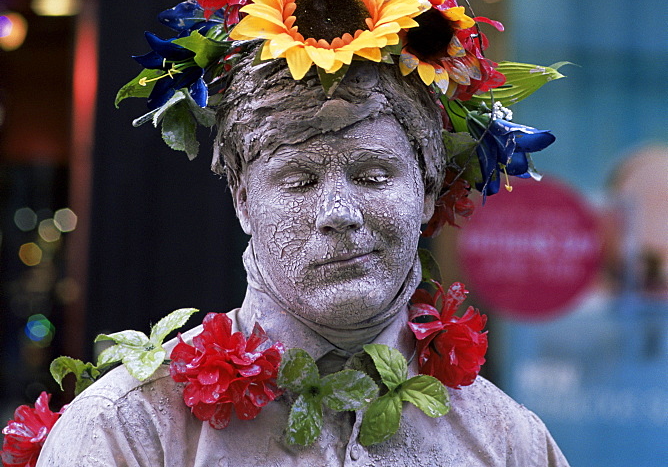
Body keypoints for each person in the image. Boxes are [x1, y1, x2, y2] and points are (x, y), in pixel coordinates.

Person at [37, 53, 569, 466]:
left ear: (428, 191)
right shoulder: (128, 431)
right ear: (243, 201)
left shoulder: (508, 444)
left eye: (374, 176)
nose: (339, 212)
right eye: (298, 181)